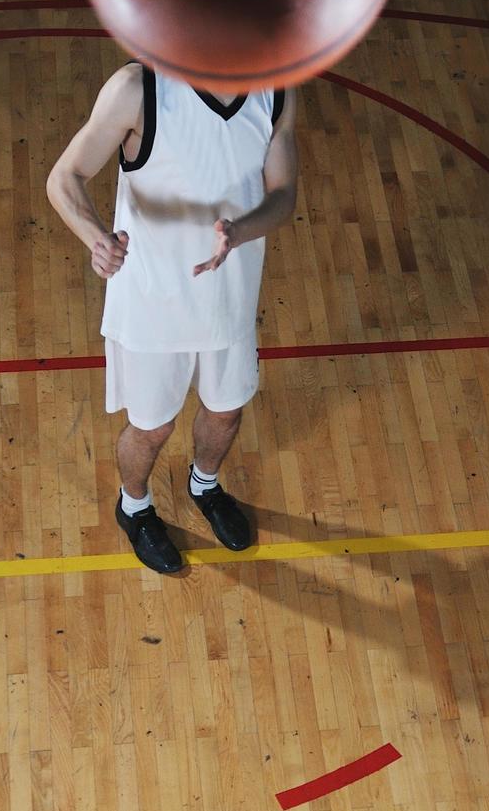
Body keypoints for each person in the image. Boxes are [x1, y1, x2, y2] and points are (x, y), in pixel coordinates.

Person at [46, 62, 299, 573]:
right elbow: (64, 177)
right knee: (152, 428)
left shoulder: (275, 89)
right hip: (150, 307)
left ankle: (204, 484)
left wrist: (241, 229)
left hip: (229, 300)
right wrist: (97, 238)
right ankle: (134, 505)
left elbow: (283, 195)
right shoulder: (137, 89)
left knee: (225, 411)